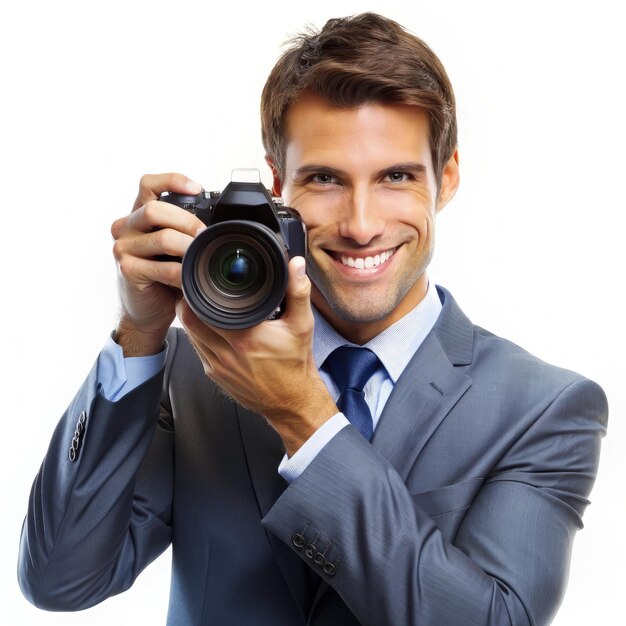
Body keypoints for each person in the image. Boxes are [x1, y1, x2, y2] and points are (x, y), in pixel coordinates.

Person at [18, 12, 607, 626]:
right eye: (325, 178)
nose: (360, 224)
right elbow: (62, 579)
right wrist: (138, 337)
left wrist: (302, 415)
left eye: (396, 177)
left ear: (447, 178)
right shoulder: (192, 369)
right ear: (278, 183)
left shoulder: (543, 406)